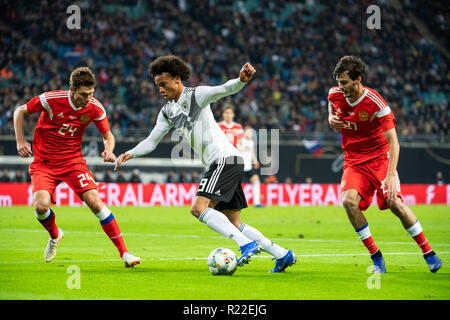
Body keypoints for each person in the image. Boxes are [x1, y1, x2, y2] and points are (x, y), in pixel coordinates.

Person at [115, 55, 295, 272]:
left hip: (224, 160)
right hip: (227, 161)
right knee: (234, 222)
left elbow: (223, 89)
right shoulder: (167, 111)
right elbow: (152, 141)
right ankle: (282, 254)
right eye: (157, 86)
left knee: (198, 208)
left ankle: (246, 244)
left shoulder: (196, 96)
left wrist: (240, 81)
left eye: (163, 84)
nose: (160, 90)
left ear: (177, 79)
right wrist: (130, 153)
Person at [13, 67, 140, 267]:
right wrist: (20, 141)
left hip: (73, 162)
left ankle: (125, 253)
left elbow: (108, 136)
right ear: (72, 90)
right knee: (40, 206)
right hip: (44, 162)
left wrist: (109, 150)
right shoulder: (51, 99)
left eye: (91, 94)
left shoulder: (95, 107)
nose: (88, 98)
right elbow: (20, 111)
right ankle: (55, 235)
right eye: (83, 94)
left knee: (96, 203)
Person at [328, 55, 441, 273]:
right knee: (348, 202)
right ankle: (376, 256)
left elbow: (394, 142)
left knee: (395, 203)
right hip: (354, 160)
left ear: (358, 79)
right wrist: (331, 119)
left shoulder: (376, 102)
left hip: (380, 158)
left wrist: (390, 175)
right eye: (338, 82)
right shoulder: (335, 94)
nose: (340, 87)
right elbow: (331, 106)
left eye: (345, 82)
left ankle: (428, 252)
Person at [238, 126, 264, 207]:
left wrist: (255, 161)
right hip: (240, 166)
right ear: (244, 132)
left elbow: (252, 152)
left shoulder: (251, 143)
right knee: (234, 185)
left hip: (248, 167)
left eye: (251, 132)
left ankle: (256, 203)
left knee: (256, 180)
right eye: (248, 132)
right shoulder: (241, 140)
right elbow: (237, 148)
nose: (250, 134)